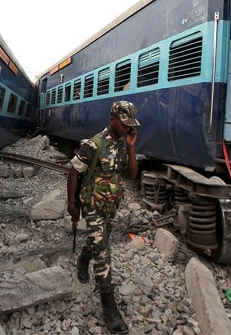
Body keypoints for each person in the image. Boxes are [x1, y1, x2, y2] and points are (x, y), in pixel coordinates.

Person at [66, 100, 139, 334]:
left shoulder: (123, 144)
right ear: (112, 120)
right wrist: (71, 204)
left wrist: (131, 147)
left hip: (110, 205)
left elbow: (131, 174)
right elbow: (74, 172)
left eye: (131, 125)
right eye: (124, 123)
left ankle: (82, 260)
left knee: (97, 242)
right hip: (92, 205)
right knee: (103, 250)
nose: (128, 128)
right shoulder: (94, 144)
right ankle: (110, 309)